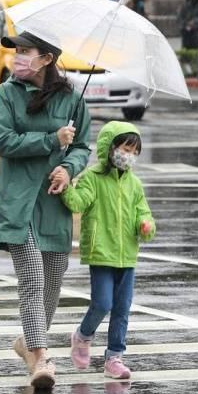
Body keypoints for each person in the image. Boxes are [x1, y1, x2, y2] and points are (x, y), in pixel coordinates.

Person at [0, 31, 91, 389]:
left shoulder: (71, 99)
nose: (18, 58)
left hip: (53, 204)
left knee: (52, 283)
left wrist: (69, 167)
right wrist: (50, 140)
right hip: (18, 203)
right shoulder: (7, 93)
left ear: (46, 58)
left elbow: (82, 146)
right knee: (32, 279)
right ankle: (41, 357)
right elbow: (4, 142)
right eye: (16, 51)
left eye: (25, 51)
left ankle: (28, 344)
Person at [53, 121, 155, 380]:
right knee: (102, 303)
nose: (128, 156)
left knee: (122, 308)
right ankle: (82, 336)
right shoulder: (92, 178)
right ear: (110, 149)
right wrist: (66, 187)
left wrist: (146, 226)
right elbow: (79, 203)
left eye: (134, 152)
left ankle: (114, 358)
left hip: (127, 255)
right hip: (101, 252)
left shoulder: (135, 185)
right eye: (124, 148)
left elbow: (144, 214)